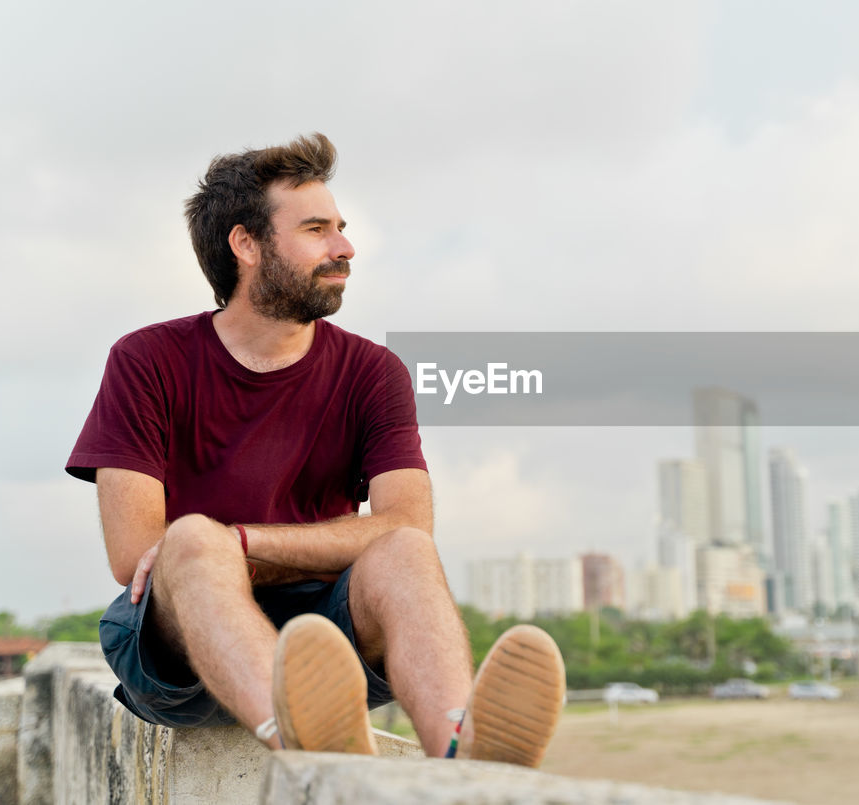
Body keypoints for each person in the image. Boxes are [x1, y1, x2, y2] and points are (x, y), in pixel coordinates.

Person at [65, 132, 565, 764]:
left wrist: (245, 543)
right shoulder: (146, 360)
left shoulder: (372, 372)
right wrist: (222, 546)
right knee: (190, 539)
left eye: (341, 228)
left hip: (330, 640)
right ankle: (300, 730)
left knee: (405, 548)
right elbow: (137, 554)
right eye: (316, 229)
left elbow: (407, 522)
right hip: (182, 655)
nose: (345, 247)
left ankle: (463, 756)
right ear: (246, 244)